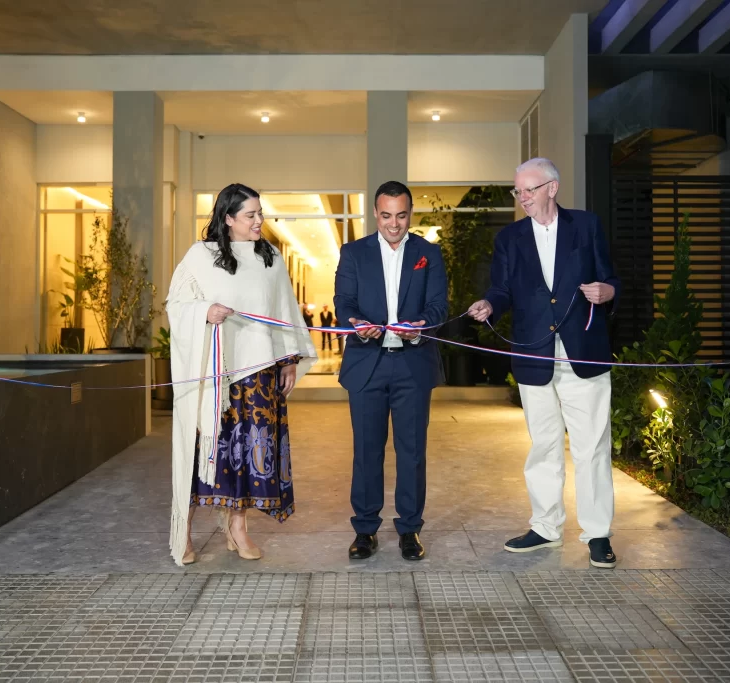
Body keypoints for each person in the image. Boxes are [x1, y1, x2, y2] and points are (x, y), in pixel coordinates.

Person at [468, 157, 621, 569]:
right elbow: (502, 288)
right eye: (517, 191)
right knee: (544, 446)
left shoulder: (586, 226)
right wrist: (489, 305)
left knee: (592, 447)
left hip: (583, 353)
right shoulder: (509, 237)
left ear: (552, 188)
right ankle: (546, 527)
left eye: (528, 190)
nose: (522, 198)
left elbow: (612, 279)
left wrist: (607, 292)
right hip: (533, 355)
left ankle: (597, 534)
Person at [166, 183, 317, 566]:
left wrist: (288, 359)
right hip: (214, 375)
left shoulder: (270, 257)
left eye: (260, 213)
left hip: (259, 374)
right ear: (228, 218)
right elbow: (176, 305)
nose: (259, 220)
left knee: (250, 455)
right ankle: (184, 529)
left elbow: (284, 311)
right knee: (205, 452)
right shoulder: (201, 256)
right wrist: (204, 311)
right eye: (250, 215)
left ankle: (237, 527)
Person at [334, 180, 447, 561]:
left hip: (413, 364)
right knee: (367, 451)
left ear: (410, 213)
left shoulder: (428, 253)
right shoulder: (353, 253)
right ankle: (365, 530)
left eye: (401, 216)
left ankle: (410, 530)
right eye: (386, 216)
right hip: (367, 363)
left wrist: (421, 326)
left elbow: (438, 306)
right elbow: (343, 301)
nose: (394, 224)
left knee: (411, 451)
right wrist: (355, 322)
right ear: (375, 214)